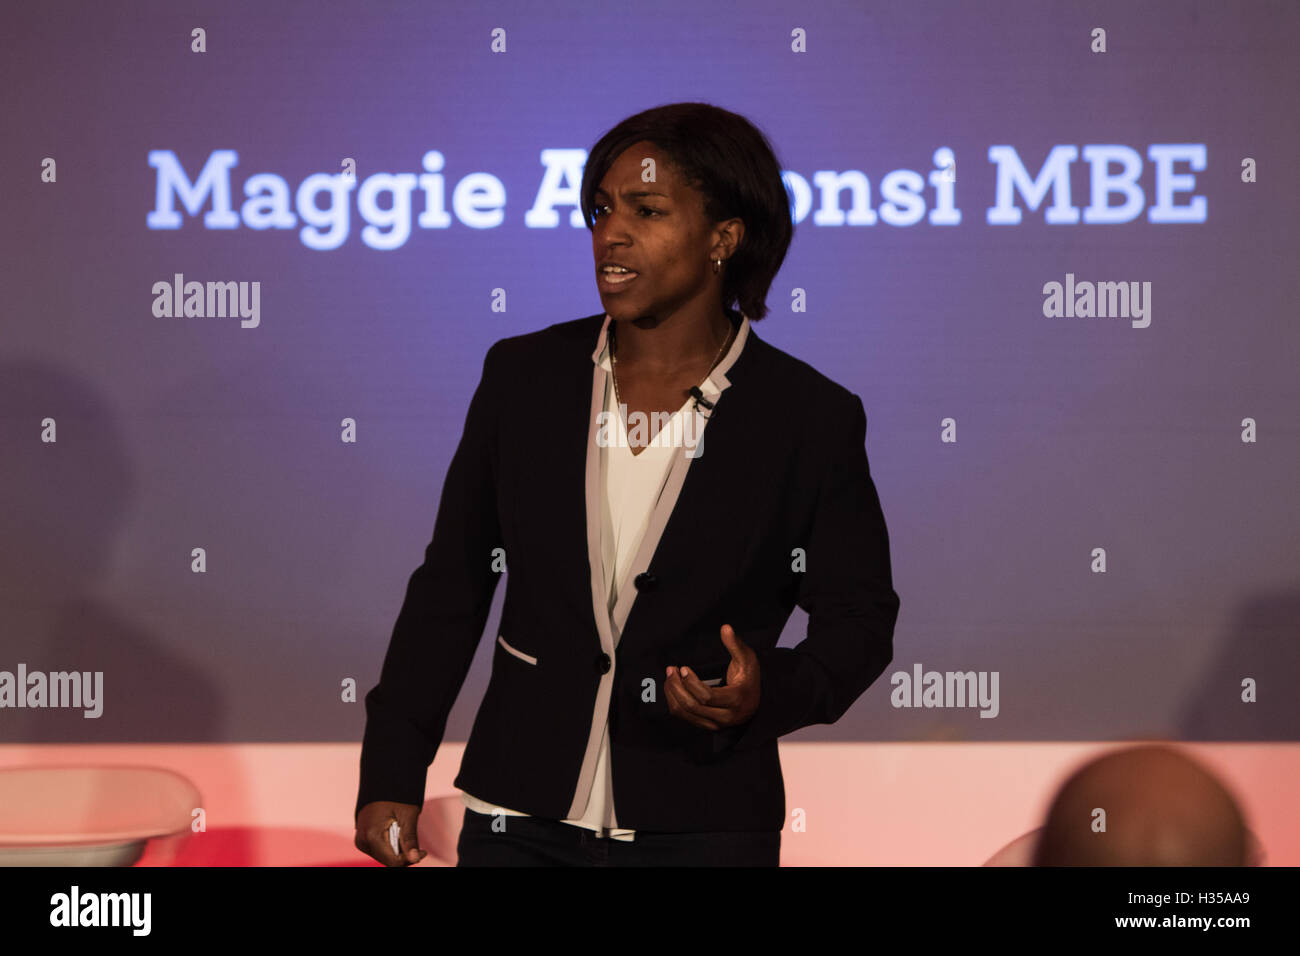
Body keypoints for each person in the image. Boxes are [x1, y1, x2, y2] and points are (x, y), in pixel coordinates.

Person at [353, 102, 901, 866]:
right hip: (519, 817)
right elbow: (452, 589)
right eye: (602, 209)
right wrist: (392, 772)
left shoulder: (808, 416)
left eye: (646, 211)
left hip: (705, 826)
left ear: (724, 237)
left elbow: (860, 621)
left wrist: (765, 690)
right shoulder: (525, 378)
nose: (610, 232)